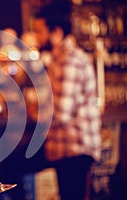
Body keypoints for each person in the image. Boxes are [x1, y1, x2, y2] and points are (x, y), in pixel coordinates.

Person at [32, 1, 101, 199]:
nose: (36, 37)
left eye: (39, 31)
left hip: (76, 150)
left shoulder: (69, 60)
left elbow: (60, 113)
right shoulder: (59, 58)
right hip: (65, 150)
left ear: (57, 32)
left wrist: (31, 111)